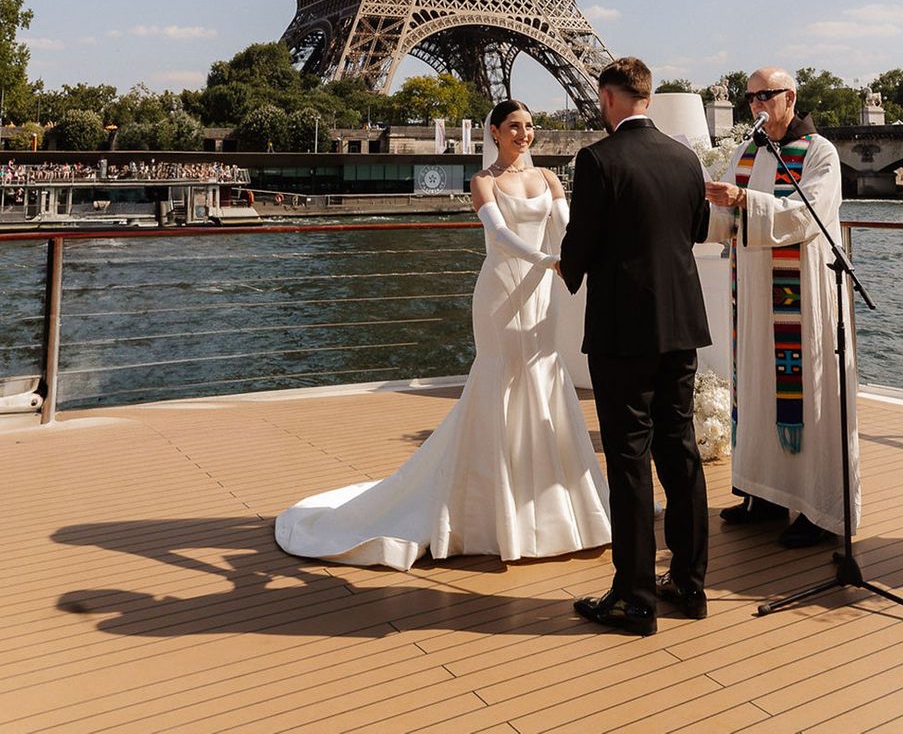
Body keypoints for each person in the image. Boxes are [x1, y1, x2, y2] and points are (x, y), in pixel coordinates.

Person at [274, 99, 612, 569]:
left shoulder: (550, 178)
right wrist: (550, 261)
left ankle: (546, 502)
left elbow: (569, 228)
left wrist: (573, 257)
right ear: (494, 131)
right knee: (501, 382)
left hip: (542, 294)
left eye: (530, 126)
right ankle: (496, 508)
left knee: (541, 377)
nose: (525, 134)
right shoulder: (482, 182)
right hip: (503, 292)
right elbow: (499, 237)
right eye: (515, 126)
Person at [560, 57, 712, 637]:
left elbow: (583, 239)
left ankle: (634, 598)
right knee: (680, 450)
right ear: (646, 97)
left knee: (628, 458)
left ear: (608, 97)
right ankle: (691, 585)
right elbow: (695, 229)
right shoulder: (686, 158)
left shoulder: (598, 159)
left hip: (624, 330)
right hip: (681, 327)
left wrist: (565, 268)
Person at [704, 66, 860, 548]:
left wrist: (743, 199)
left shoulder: (819, 153)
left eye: (765, 95)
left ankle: (820, 510)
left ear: (790, 97)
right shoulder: (746, 153)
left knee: (809, 396)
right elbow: (722, 216)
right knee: (755, 388)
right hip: (752, 296)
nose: (756, 105)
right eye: (749, 97)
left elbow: (807, 214)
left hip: (802, 299)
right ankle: (764, 494)